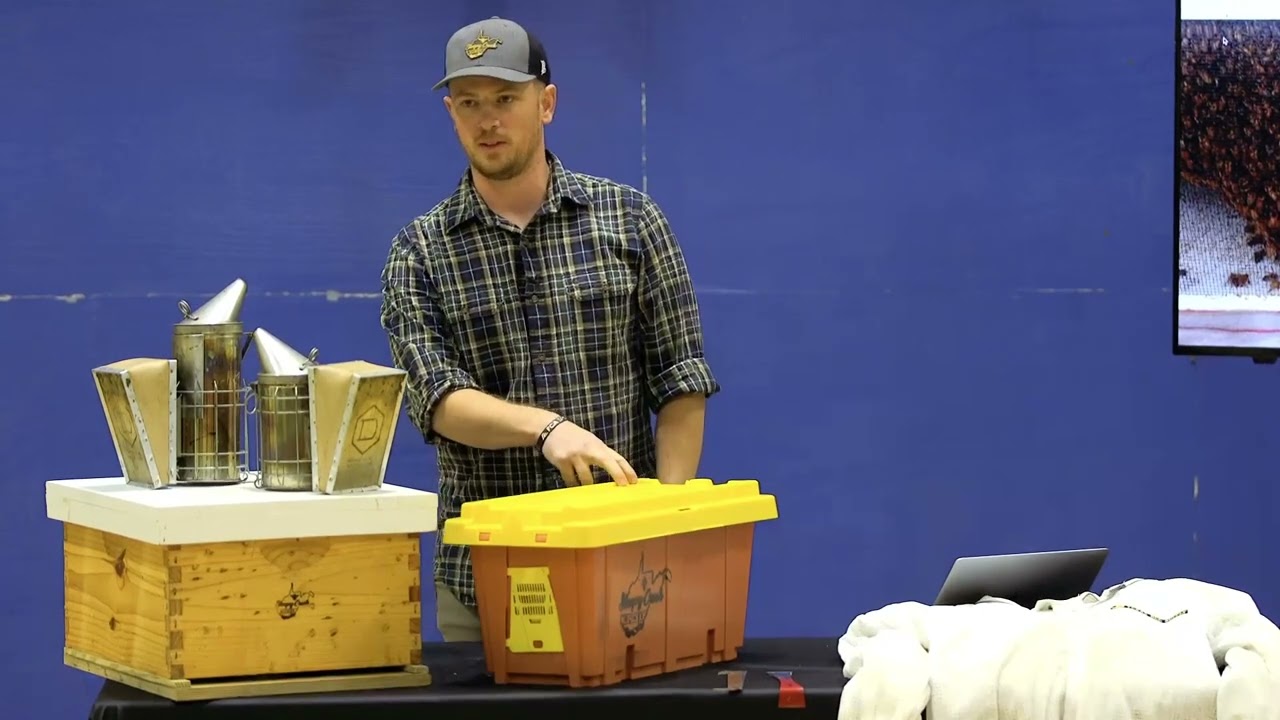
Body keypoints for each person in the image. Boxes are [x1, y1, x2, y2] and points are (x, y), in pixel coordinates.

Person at [378, 16, 721, 642]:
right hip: (486, 580)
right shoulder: (419, 252)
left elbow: (680, 382)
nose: (488, 121)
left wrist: (668, 521)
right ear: (451, 114)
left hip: (626, 568)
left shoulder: (632, 222)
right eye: (470, 104)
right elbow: (439, 400)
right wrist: (548, 430)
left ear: (547, 103)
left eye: (506, 99)